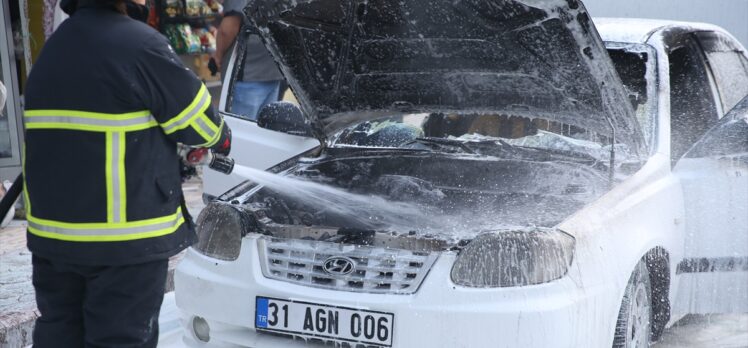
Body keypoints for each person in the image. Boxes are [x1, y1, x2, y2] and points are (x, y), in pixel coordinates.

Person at [23, 0, 231, 347]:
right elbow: (200, 123)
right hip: (122, 244)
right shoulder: (141, 46)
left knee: (59, 336)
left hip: (54, 241)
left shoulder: (53, 49)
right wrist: (221, 138)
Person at [212, 0, 284, 120]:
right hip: (275, 70)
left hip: (248, 75)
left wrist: (218, 56)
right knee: (263, 131)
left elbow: (227, 29)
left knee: (239, 131)